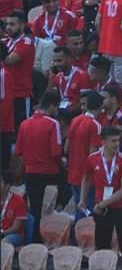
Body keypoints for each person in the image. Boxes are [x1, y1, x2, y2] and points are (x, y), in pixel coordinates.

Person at [13, 90, 63, 240]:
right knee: (53, 206)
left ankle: (34, 239)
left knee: (34, 208)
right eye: (57, 107)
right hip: (50, 173)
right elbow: (56, 153)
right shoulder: (53, 123)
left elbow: (18, 151)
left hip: (30, 173)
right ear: (52, 106)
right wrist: (62, 164)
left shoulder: (24, 124)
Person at [80, 125, 122, 255]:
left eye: (118, 140)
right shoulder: (92, 159)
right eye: (113, 141)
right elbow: (86, 179)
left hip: (121, 207)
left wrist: (102, 204)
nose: (117, 144)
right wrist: (82, 199)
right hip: (102, 209)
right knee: (102, 245)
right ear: (103, 142)